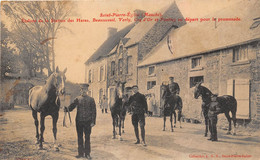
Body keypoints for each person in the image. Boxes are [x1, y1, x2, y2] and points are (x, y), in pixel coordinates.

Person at [64, 83, 96, 159]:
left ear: (87, 90)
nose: (83, 91)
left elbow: (94, 111)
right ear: (80, 90)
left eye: (85, 89)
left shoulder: (91, 100)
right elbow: (72, 106)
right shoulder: (77, 99)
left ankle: (87, 154)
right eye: (82, 89)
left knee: (87, 137)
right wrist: (66, 108)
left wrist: (93, 121)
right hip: (79, 121)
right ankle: (80, 153)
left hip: (88, 121)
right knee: (80, 137)